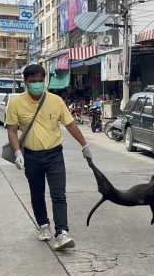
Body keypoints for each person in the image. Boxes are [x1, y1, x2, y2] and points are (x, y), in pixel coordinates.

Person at [6, 64, 93, 250]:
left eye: (39, 81)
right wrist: (17, 153)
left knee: (58, 194)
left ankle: (62, 232)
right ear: (25, 82)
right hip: (31, 156)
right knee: (37, 194)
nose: (37, 84)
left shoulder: (56, 101)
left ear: (44, 80)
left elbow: (70, 125)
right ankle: (43, 226)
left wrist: (84, 145)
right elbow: (12, 130)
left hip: (55, 155)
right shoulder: (16, 103)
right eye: (32, 81)